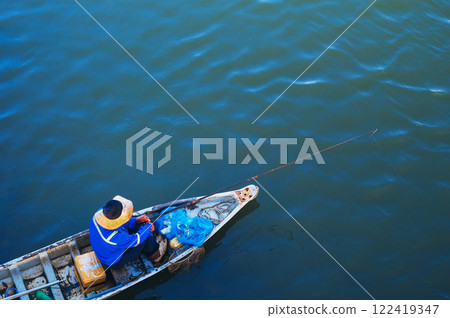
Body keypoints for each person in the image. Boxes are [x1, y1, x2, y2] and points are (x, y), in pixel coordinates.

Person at [89, 195, 166, 269]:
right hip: (113, 262)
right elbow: (137, 239)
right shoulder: (114, 237)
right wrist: (148, 226)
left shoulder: (100, 213)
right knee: (146, 237)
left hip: (105, 250)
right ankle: (156, 256)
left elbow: (120, 221)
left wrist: (136, 220)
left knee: (140, 227)